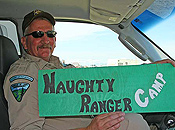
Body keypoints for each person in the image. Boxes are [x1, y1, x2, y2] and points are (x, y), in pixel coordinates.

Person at [3, 9, 173, 130]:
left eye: (50, 34)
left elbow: (104, 80)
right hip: (85, 126)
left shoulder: (56, 66)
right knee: (134, 122)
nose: (45, 40)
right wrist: (91, 129)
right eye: (38, 34)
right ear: (24, 42)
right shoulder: (24, 75)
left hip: (90, 119)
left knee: (134, 117)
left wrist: (150, 70)